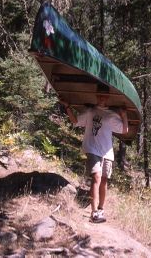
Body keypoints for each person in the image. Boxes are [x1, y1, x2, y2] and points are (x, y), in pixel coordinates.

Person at [60, 94, 128, 223]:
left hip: (107, 152)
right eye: (100, 96)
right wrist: (68, 107)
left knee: (103, 180)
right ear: (96, 97)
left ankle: (101, 209)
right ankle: (94, 212)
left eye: (105, 96)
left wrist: (123, 115)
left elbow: (124, 130)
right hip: (92, 149)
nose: (103, 98)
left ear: (109, 98)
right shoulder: (90, 111)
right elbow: (75, 121)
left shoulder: (112, 115)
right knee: (96, 176)